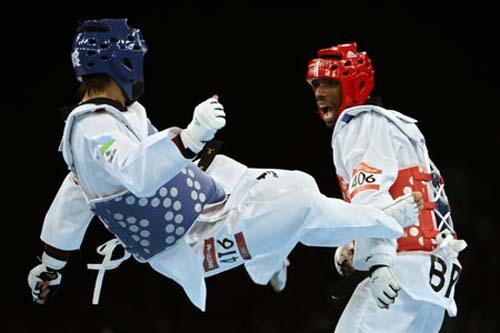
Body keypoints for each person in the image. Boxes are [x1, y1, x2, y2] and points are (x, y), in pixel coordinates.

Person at [27, 20, 423, 312]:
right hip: (189, 242)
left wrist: (50, 266)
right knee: (296, 203)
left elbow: (72, 199)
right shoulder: (92, 129)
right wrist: (191, 136)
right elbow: (137, 173)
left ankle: (272, 260)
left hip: (207, 203)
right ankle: (375, 223)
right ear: (121, 63)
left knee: (295, 185)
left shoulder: (114, 117)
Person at [305, 42, 467, 332]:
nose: (319, 92)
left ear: (355, 84)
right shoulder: (396, 126)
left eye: (330, 83)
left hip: (400, 274)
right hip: (433, 284)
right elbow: (405, 203)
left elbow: (372, 199)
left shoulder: (359, 124)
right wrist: (355, 244)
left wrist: (378, 263)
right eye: (316, 84)